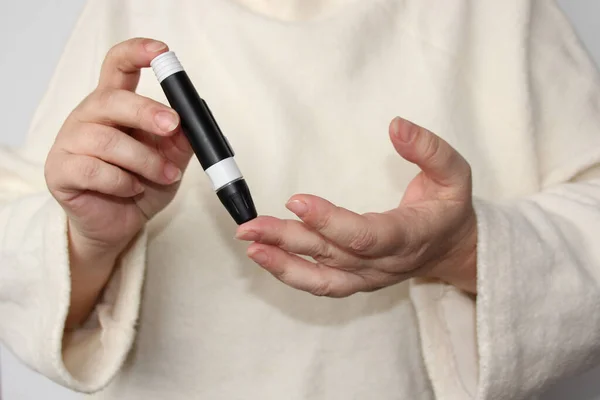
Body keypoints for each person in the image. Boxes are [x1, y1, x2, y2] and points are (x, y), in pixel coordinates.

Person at [1, 0, 599, 398]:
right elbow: (21, 260)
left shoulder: (500, 12)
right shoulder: (130, 12)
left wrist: (462, 250)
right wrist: (92, 240)